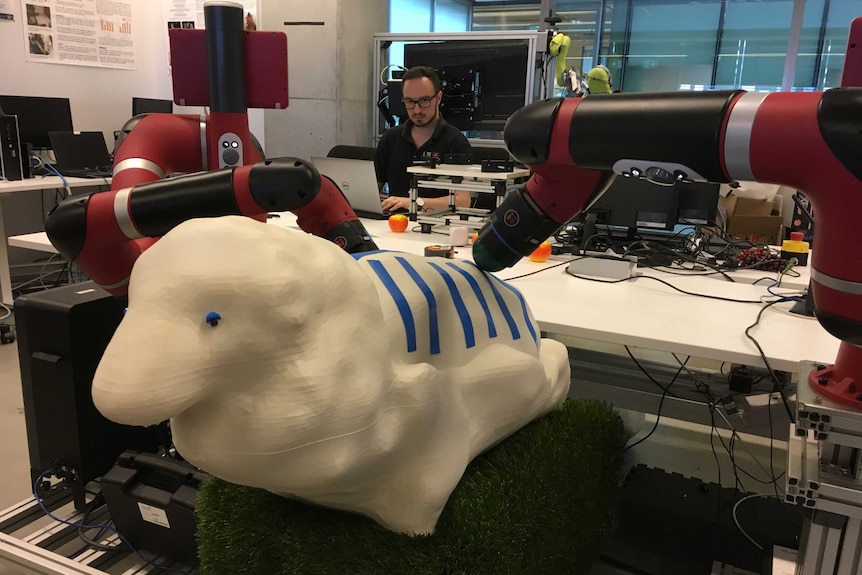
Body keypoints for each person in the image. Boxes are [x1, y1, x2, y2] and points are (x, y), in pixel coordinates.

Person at [376, 66, 472, 213]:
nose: (417, 110)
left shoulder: (455, 142)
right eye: (409, 101)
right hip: (392, 225)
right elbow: (374, 189)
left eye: (424, 100)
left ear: (438, 98)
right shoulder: (391, 138)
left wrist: (413, 203)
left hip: (436, 226)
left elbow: (463, 201)